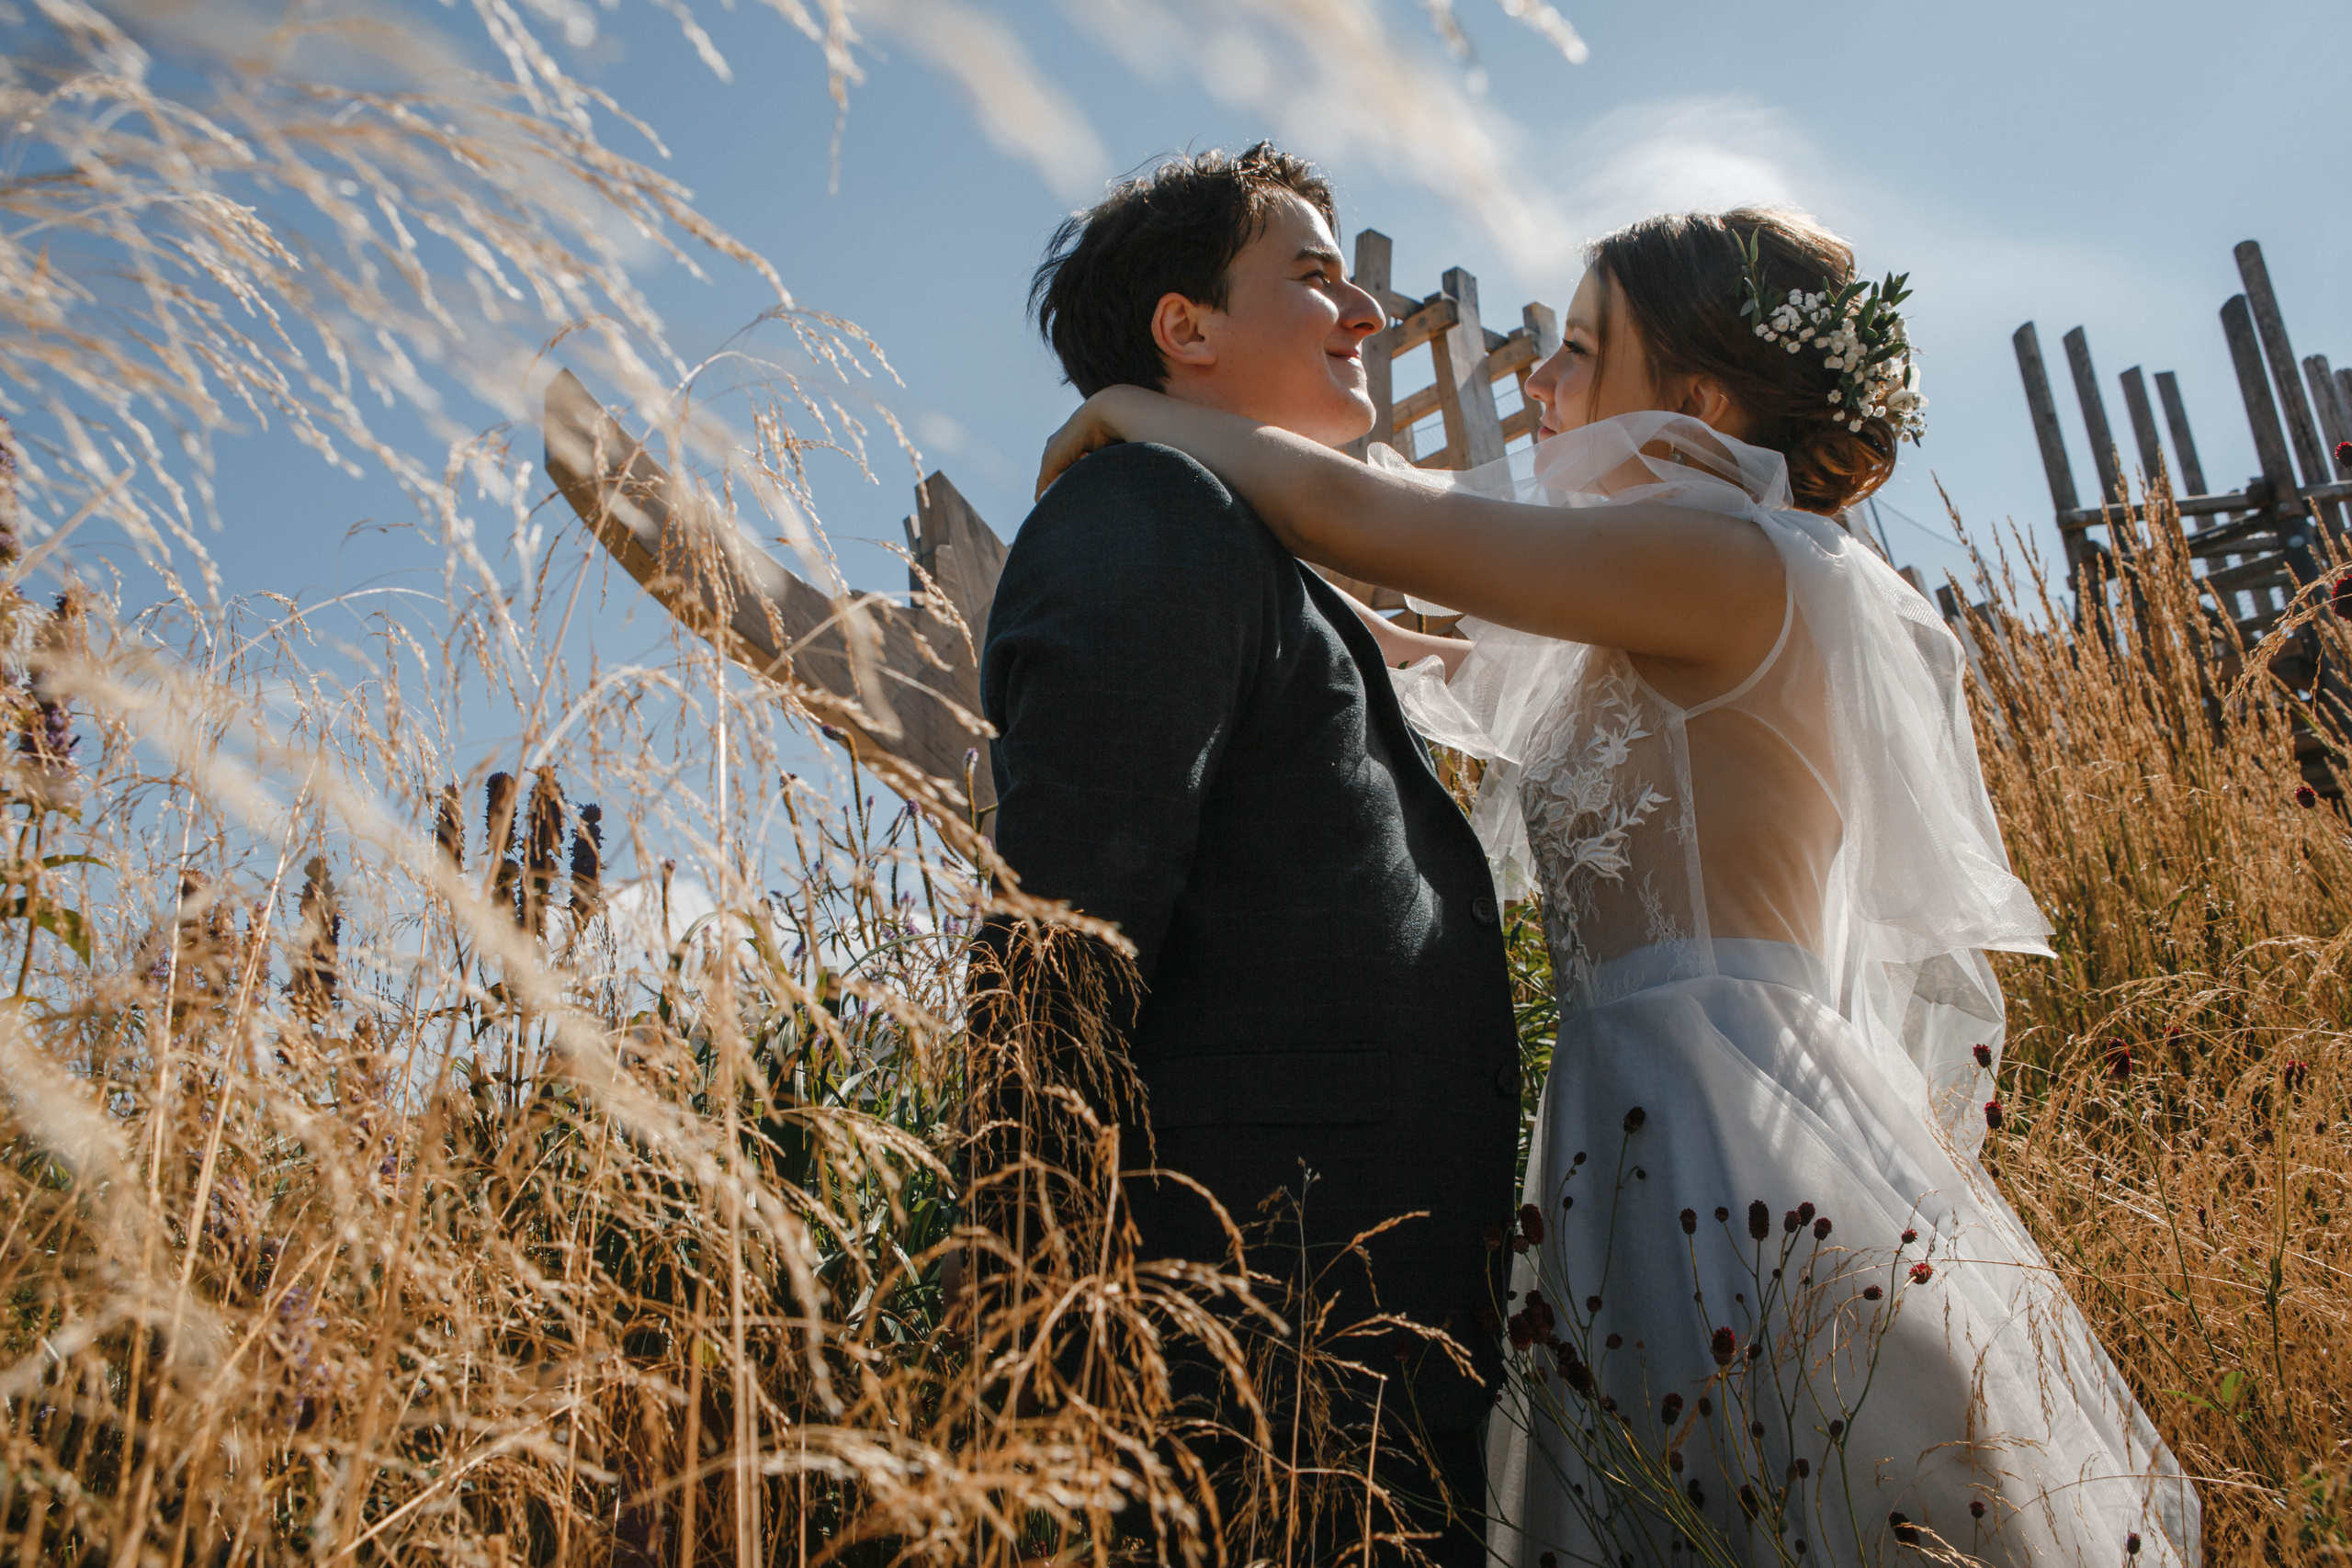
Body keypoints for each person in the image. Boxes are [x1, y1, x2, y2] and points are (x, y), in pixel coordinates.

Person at [1034, 208, 2201, 1566]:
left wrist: (1128, 410)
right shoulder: (1640, 601)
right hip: (1633, 1110)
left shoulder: (1730, 560)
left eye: (1581, 350)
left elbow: (1368, 514)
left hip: (1724, 1120)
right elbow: (1391, 640)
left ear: (1698, 405)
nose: (1538, 381)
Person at [980, 143, 1520, 1564]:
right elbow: (1058, 949)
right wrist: (1049, 1326)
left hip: (1351, 1315)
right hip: (1247, 1326)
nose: (1366, 314)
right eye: (1315, 276)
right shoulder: (1140, 516)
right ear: (1187, 327)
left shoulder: (1241, 544)